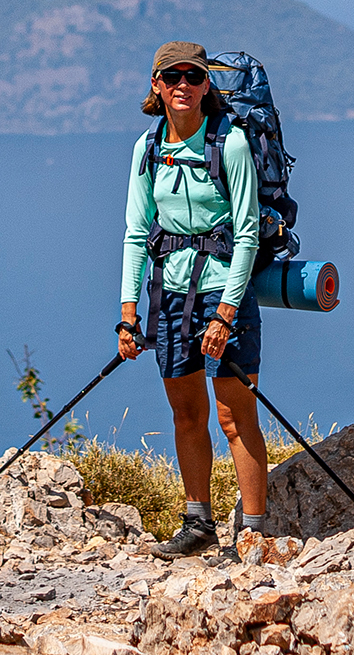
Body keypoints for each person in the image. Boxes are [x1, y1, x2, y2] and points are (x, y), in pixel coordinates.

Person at [117, 41, 267, 559]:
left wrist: (226, 312)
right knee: (185, 413)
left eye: (193, 77)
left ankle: (254, 531)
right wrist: (128, 314)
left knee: (234, 414)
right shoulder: (148, 147)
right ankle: (197, 522)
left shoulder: (232, 146)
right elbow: (137, 233)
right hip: (169, 293)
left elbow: (246, 234)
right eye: (172, 77)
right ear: (156, 86)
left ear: (207, 86)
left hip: (223, 293)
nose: (183, 85)